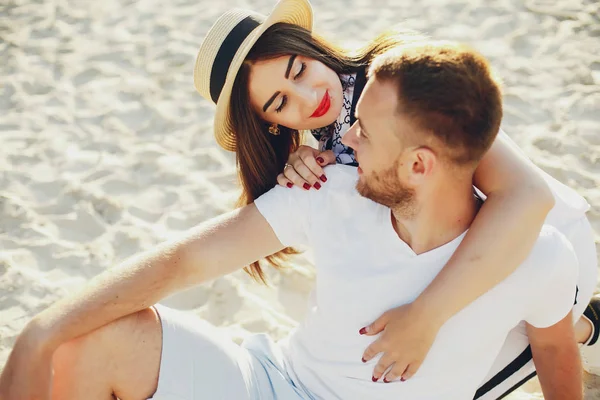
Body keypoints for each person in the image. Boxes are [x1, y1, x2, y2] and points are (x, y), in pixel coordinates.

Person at [0, 39, 585, 400]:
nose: (345, 139)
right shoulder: (328, 186)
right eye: (281, 102)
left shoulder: (537, 252)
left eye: (364, 131)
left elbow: (554, 348)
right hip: (276, 382)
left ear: (418, 162)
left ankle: (594, 324)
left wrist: (428, 314)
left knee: (551, 321)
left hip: (555, 275)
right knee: (90, 341)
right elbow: (184, 260)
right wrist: (43, 331)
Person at [191, 0, 599, 397]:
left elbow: (528, 197)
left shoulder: (394, 80)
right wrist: (314, 168)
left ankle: (582, 322)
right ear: (271, 125)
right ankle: (587, 327)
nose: (308, 97)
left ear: (307, 45)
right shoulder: (324, 147)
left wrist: (426, 317)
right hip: (466, 266)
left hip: (538, 247)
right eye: (280, 103)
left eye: (298, 70)